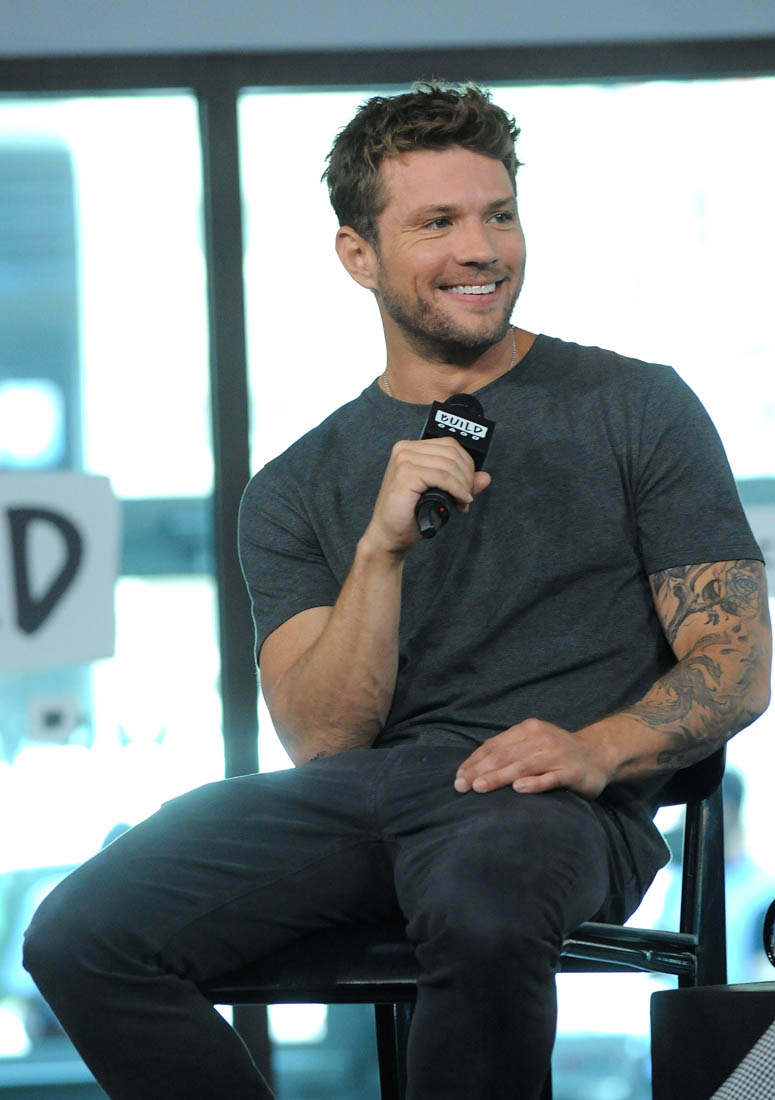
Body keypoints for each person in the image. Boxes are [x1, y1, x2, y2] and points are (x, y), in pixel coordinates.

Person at [23, 82, 772, 1100]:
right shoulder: (292, 487)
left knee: (480, 903)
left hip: (548, 800)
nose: (481, 249)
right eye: (437, 223)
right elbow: (325, 742)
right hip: (361, 798)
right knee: (79, 935)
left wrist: (594, 747)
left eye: (498, 215)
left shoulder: (634, 405)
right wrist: (379, 551)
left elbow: (735, 659)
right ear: (357, 254)